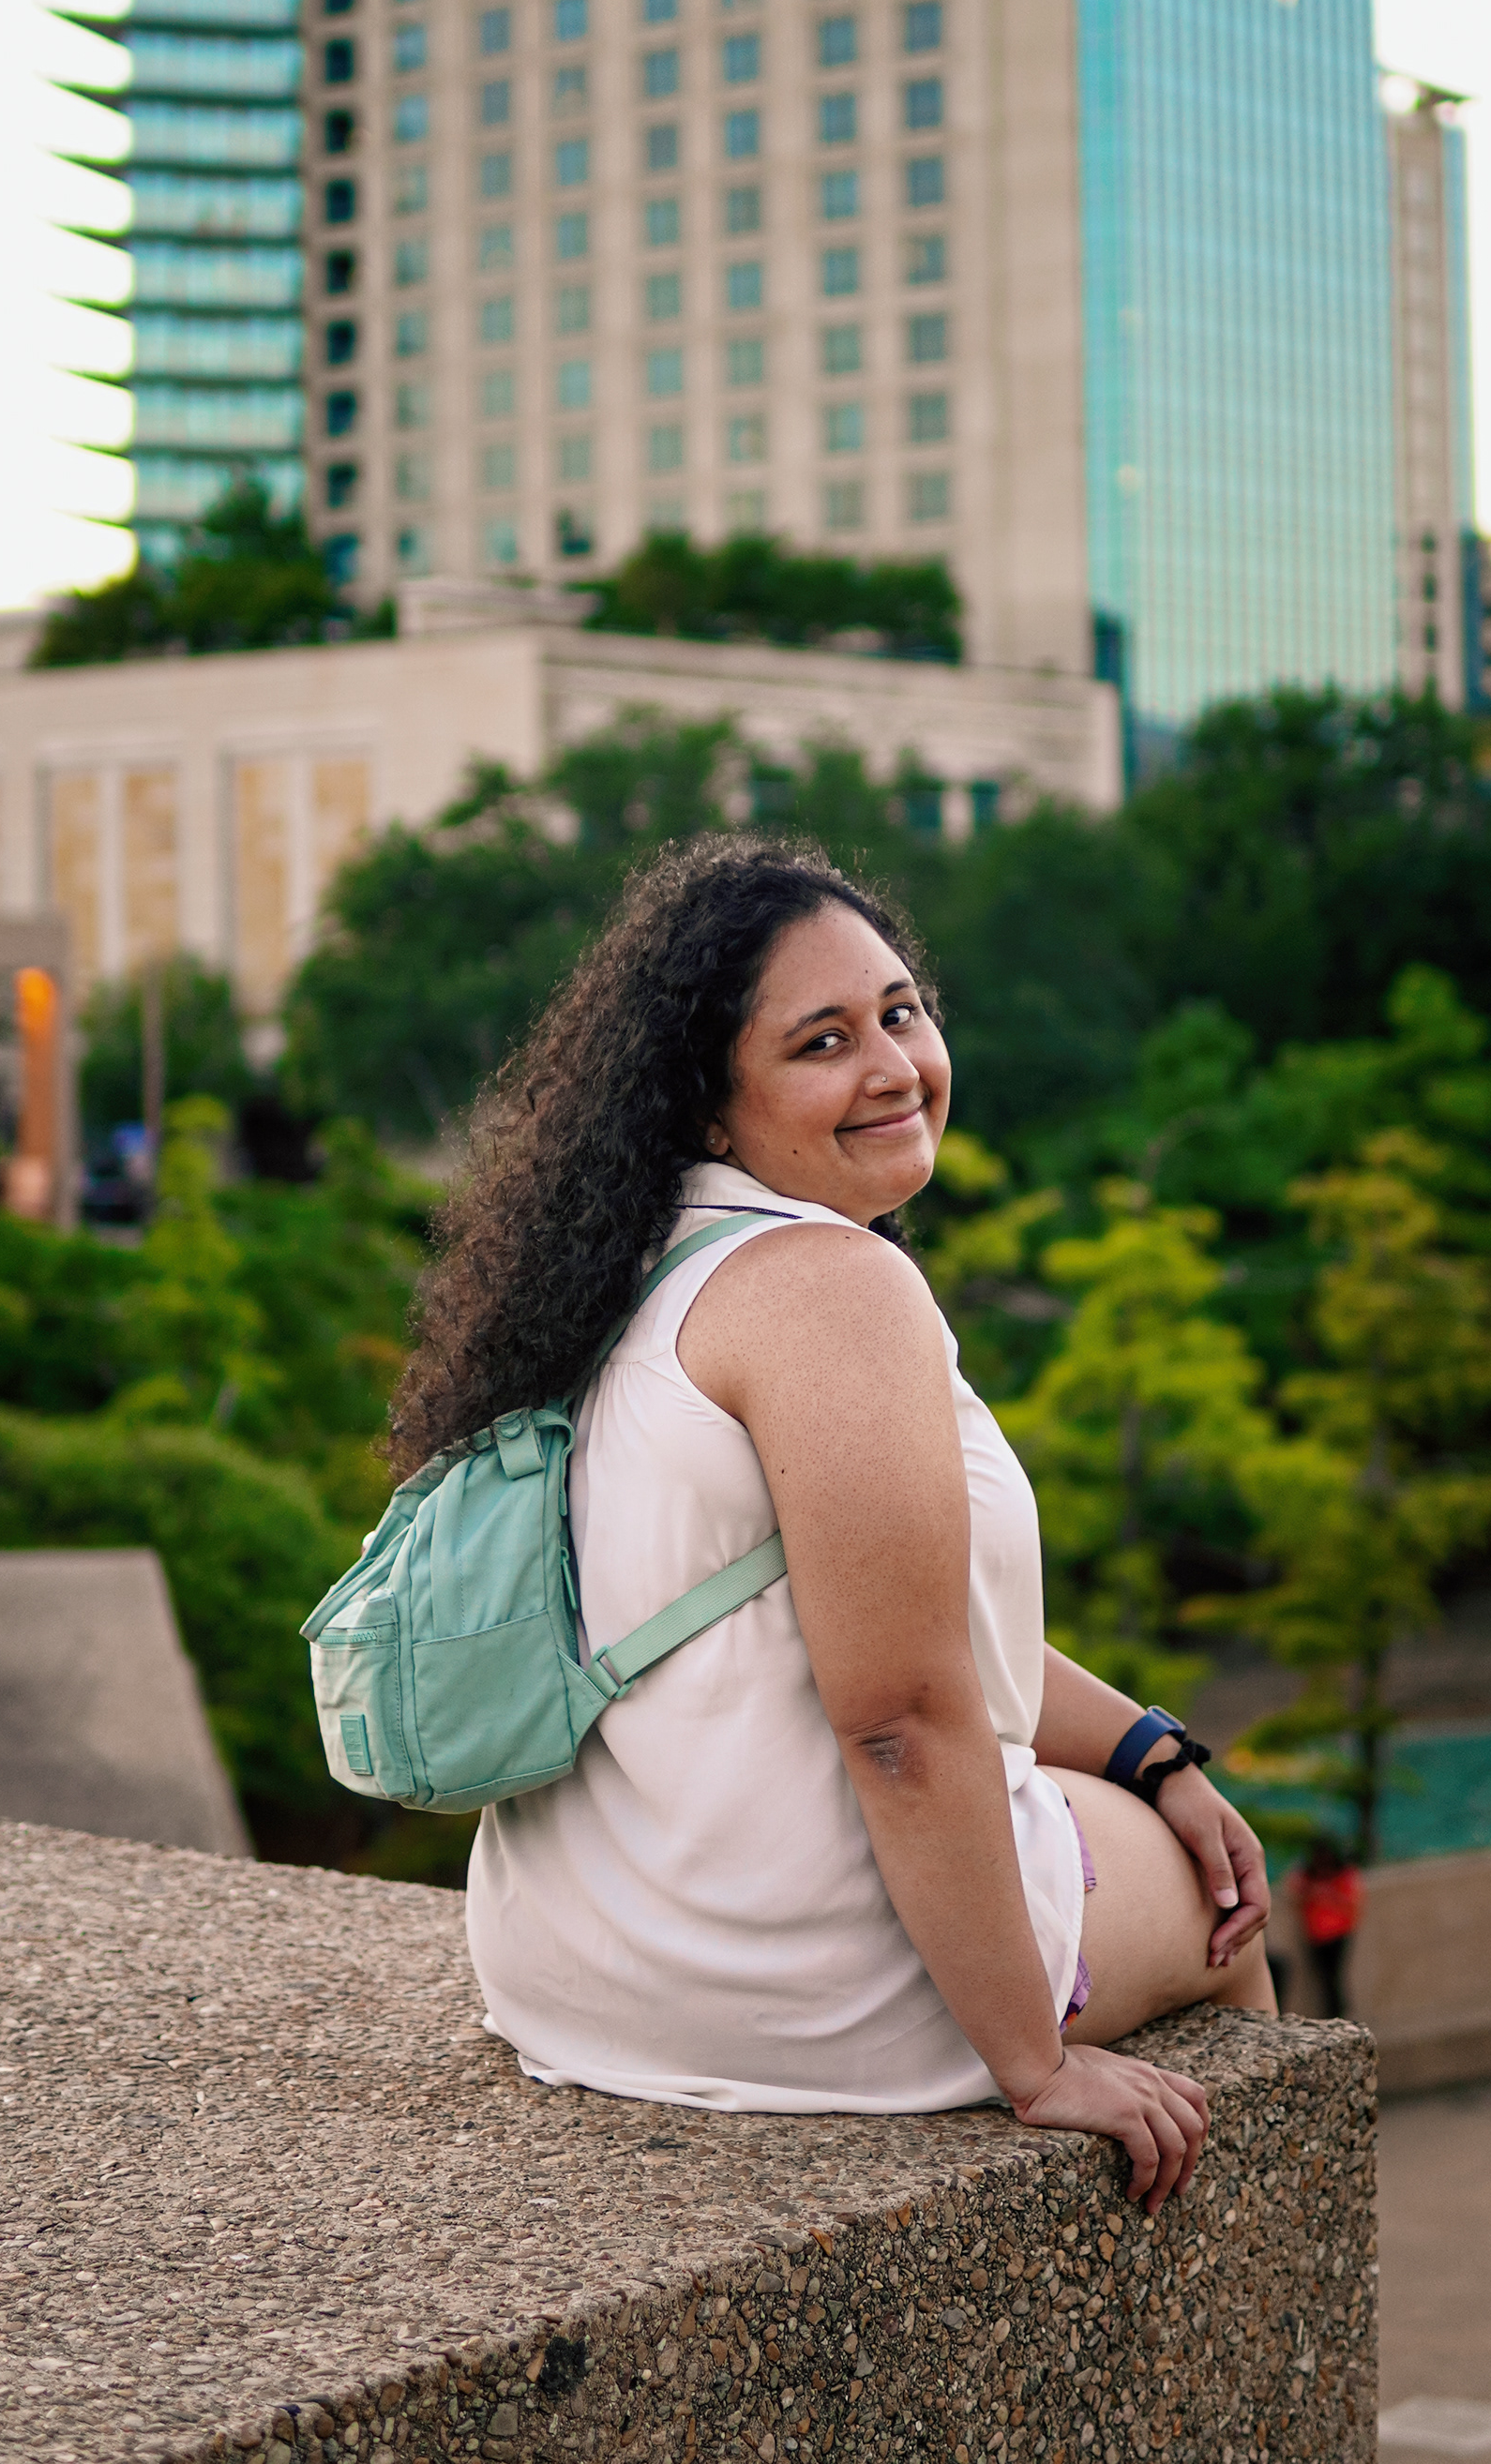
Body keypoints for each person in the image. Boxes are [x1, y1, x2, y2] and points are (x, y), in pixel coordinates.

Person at [389, 835, 1274, 2214]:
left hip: (575, 1965)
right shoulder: (828, 1289)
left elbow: (900, 1631)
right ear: (712, 1103)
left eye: (901, 1012)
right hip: (789, 1989)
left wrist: (1153, 1749)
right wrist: (1034, 2068)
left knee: (1146, 1810)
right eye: (821, 1041)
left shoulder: (628, 1280)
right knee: (1224, 1909)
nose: (892, 1065)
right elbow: (902, 1713)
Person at [1284, 1835, 1361, 2019]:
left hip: (1339, 1934)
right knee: (1324, 1980)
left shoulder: (1343, 1875)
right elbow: (1293, 1892)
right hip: (1316, 1936)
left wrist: (1326, 1894)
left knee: (1333, 1978)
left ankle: (1339, 2014)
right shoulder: (1307, 1877)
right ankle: (1333, 2015)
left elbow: (1352, 1902)